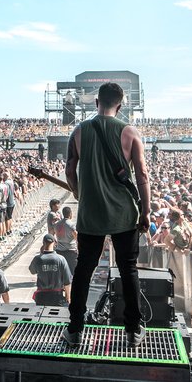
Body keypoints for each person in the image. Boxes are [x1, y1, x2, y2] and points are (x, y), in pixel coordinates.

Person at [64, 82, 151, 348]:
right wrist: (146, 211)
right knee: (128, 269)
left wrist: (79, 194)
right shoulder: (130, 133)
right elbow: (142, 175)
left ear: (96, 102)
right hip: (124, 214)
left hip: (91, 214)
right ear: (120, 106)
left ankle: (75, 329)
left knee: (84, 269)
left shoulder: (79, 131)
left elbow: (69, 170)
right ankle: (133, 330)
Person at [30, 233, 72, 306]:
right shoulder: (61, 259)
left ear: (43, 243)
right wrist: (68, 297)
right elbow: (67, 281)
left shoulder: (37, 259)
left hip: (41, 297)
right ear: (55, 243)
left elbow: (32, 271)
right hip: (56, 297)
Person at [54, 206, 78, 275]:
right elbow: (76, 237)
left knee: (61, 272)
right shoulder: (71, 225)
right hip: (70, 251)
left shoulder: (57, 224)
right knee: (72, 271)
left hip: (59, 250)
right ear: (70, 214)